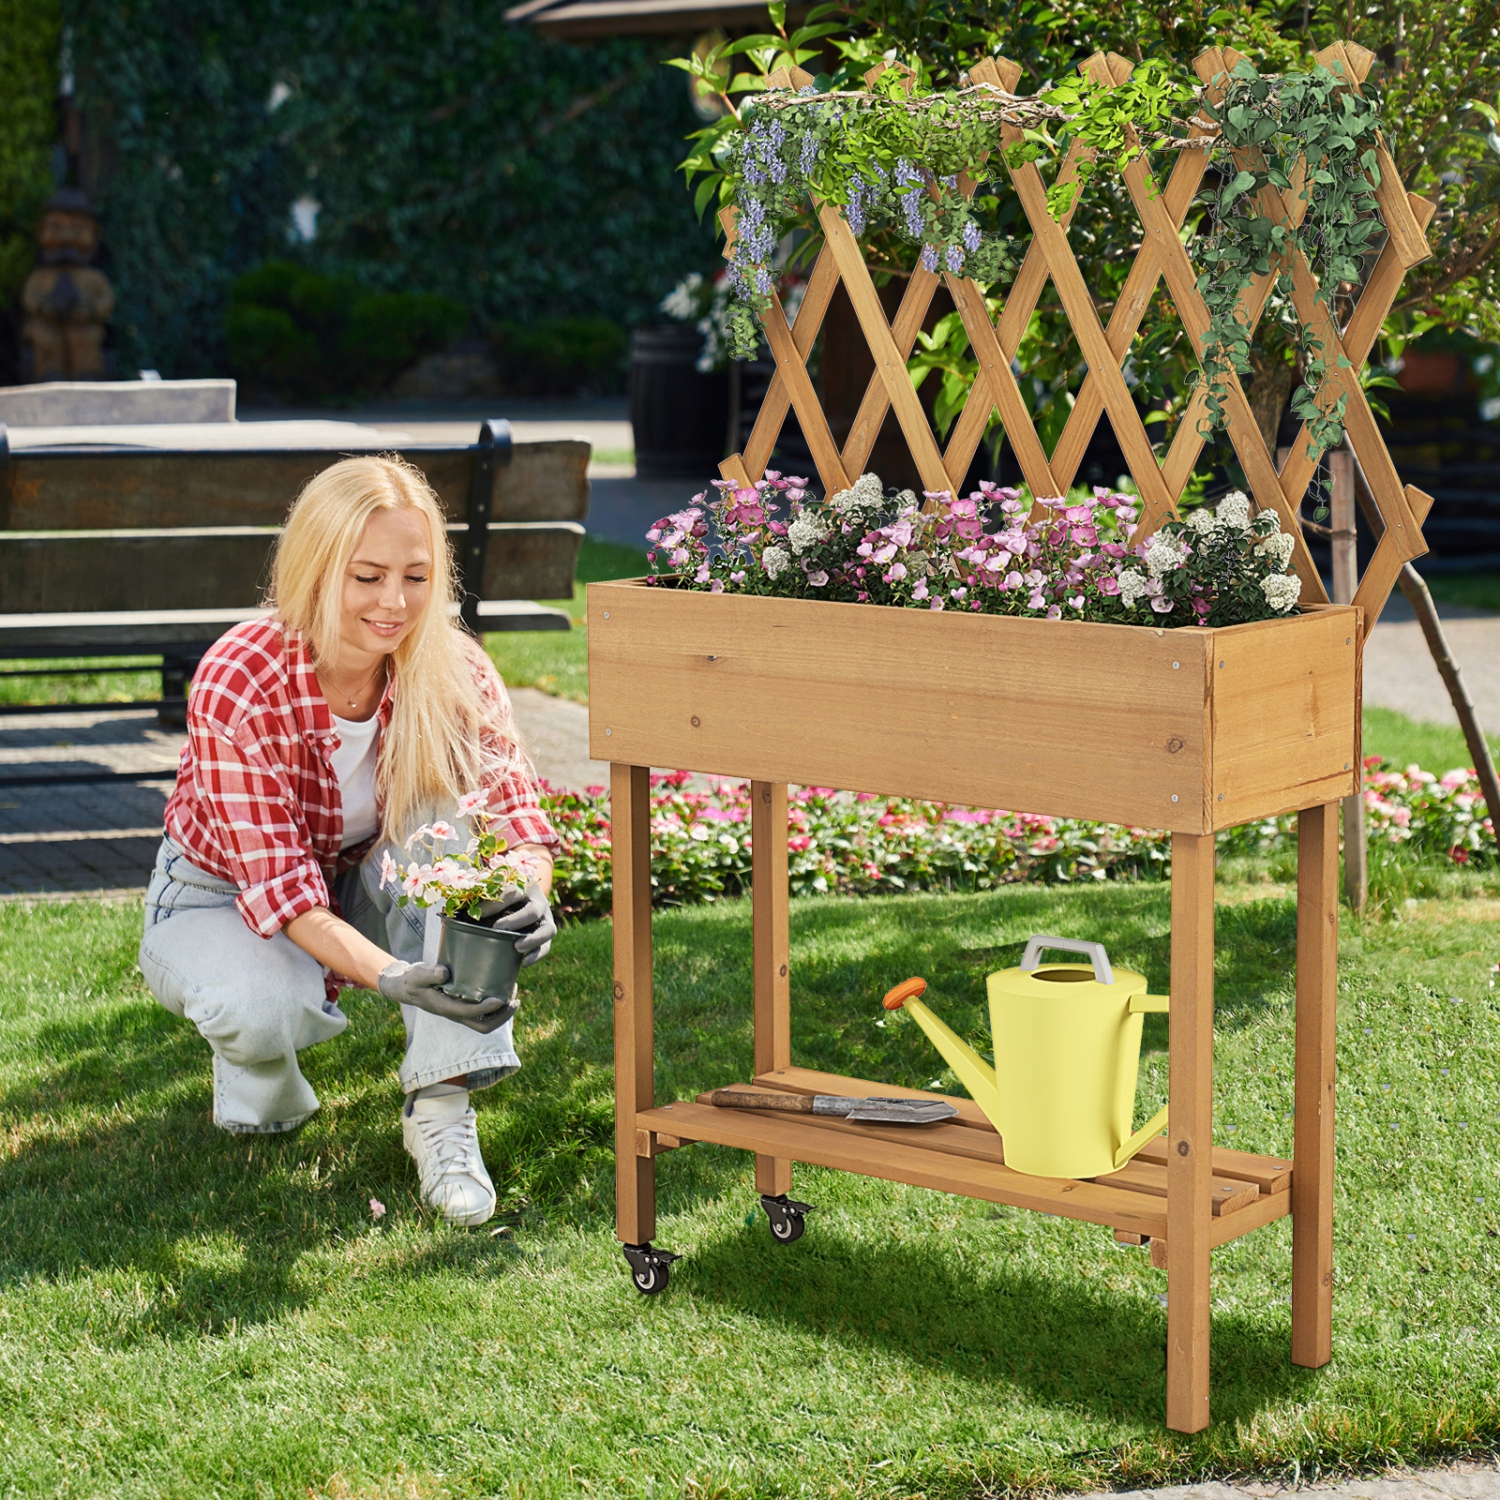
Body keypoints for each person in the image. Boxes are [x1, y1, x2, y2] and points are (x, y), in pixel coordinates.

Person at [138, 454, 558, 1227]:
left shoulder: (453, 665)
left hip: (366, 876)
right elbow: (287, 891)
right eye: (366, 577)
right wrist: (393, 975)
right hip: (220, 897)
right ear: (314, 568)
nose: (394, 603)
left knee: (452, 837)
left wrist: (529, 888)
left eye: (415, 576)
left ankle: (440, 1110)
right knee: (259, 1007)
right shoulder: (242, 675)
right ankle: (261, 1069)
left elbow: (513, 815)